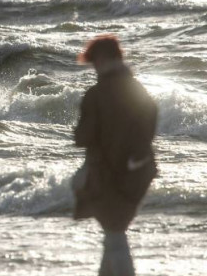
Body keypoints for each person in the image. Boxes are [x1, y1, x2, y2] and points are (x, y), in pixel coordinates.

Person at [72, 35, 158, 276]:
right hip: (140, 172)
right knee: (114, 232)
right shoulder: (137, 88)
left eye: (94, 62)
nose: (94, 67)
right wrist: (137, 156)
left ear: (102, 59)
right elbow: (149, 122)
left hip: (109, 175)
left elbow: (83, 138)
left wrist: (78, 131)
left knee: (115, 235)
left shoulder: (96, 94)